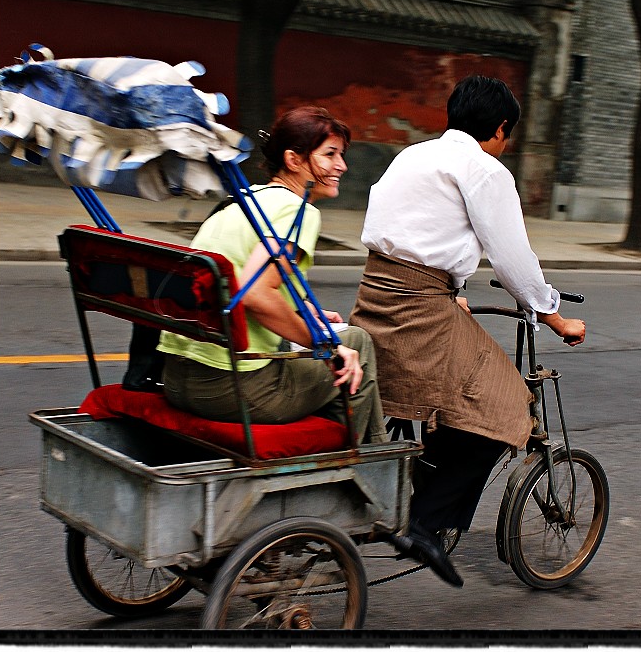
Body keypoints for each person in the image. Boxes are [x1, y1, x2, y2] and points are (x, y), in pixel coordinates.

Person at [350, 75, 586, 586]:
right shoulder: (485, 170)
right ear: (501, 128)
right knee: (505, 406)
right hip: (421, 314)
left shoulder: (412, 155)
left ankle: (415, 497)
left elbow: (410, 233)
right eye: (509, 134)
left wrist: (451, 284)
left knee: (460, 393)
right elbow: (512, 261)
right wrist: (555, 316)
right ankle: (426, 524)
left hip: (375, 300)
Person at [158, 106, 387, 445]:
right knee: (356, 342)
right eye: (330, 155)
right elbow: (254, 293)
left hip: (177, 379)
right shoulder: (299, 211)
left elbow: (239, 283)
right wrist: (327, 344)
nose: (342, 166)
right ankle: (352, 459)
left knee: (333, 336)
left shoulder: (240, 203)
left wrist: (300, 313)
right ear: (294, 160)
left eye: (342, 155)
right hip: (232, 389)